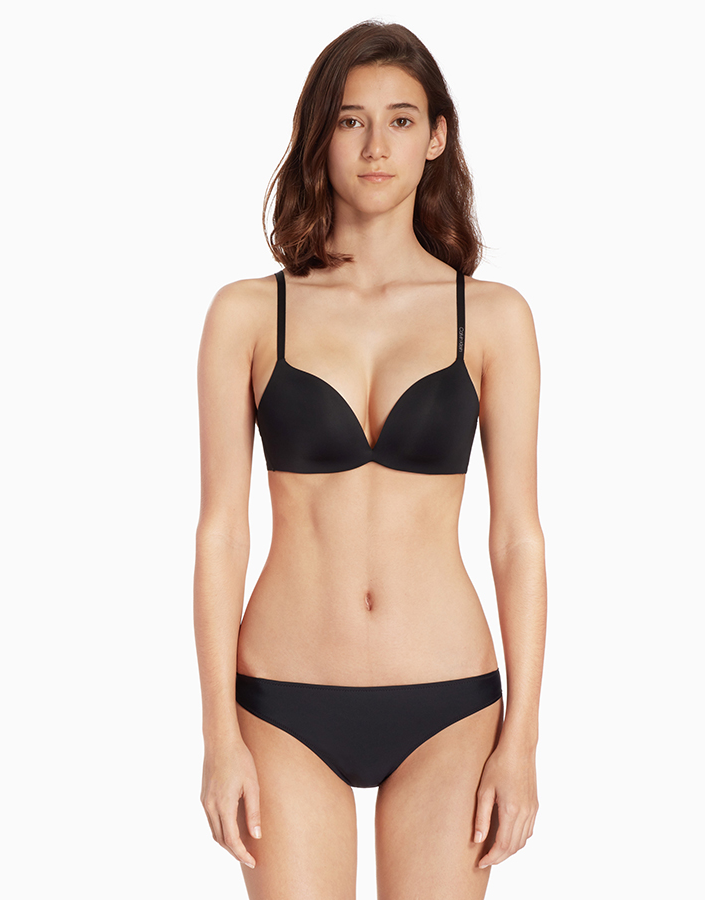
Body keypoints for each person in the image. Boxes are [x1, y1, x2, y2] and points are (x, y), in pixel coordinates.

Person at [193, 19, 546, 900]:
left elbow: (518, 538)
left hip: (450, 702)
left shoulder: (493, 318)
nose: (375, 145)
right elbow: (221, 532)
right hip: (282, 698)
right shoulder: (247, 314)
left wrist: (524, 741)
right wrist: (218, 736)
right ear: (320, 135)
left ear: (437, 138)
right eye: (351, 120)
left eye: (400, 119)